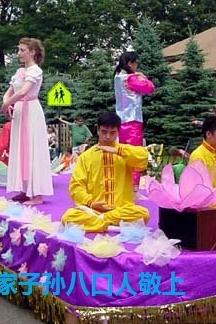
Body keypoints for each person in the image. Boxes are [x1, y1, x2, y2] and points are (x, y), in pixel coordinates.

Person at [61, 111, 150, 232]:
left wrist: (118, 150)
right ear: (97, 130)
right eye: (104, 132)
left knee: (143, 214)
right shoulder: (86, 157)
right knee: (68, 217)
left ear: (118, 132)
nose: (108, 137)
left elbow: (143, 157)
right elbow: (76, 187)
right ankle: (111, 225)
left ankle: (101, 222)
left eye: (112, 132)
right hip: (94, 210)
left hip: (121, 210)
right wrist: (91, 203)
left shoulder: (124, 152)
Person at [0, 37, 53, 205]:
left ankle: (37, 194)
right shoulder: (19, 72)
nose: (19, 53)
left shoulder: (35, 71)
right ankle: (24, 189)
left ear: (32, 52)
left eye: (22, 50)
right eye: (19, 49)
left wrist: (7, 104)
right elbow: (10, 91)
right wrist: (7, 102)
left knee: (33, 148)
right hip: (20, 111)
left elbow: (24, 91)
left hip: (31, 111)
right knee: (20, 148)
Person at [114, 50, 155, 187]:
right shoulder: (131, 79)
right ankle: (133, 188)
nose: (137, 66)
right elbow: (150, 88)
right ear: (130, 64)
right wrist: (143, 77)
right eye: (136, 63)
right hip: (132, 121)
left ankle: (124, 185)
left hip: (121, 120)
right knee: (135, 154)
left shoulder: (118, 77)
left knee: (123, 154)